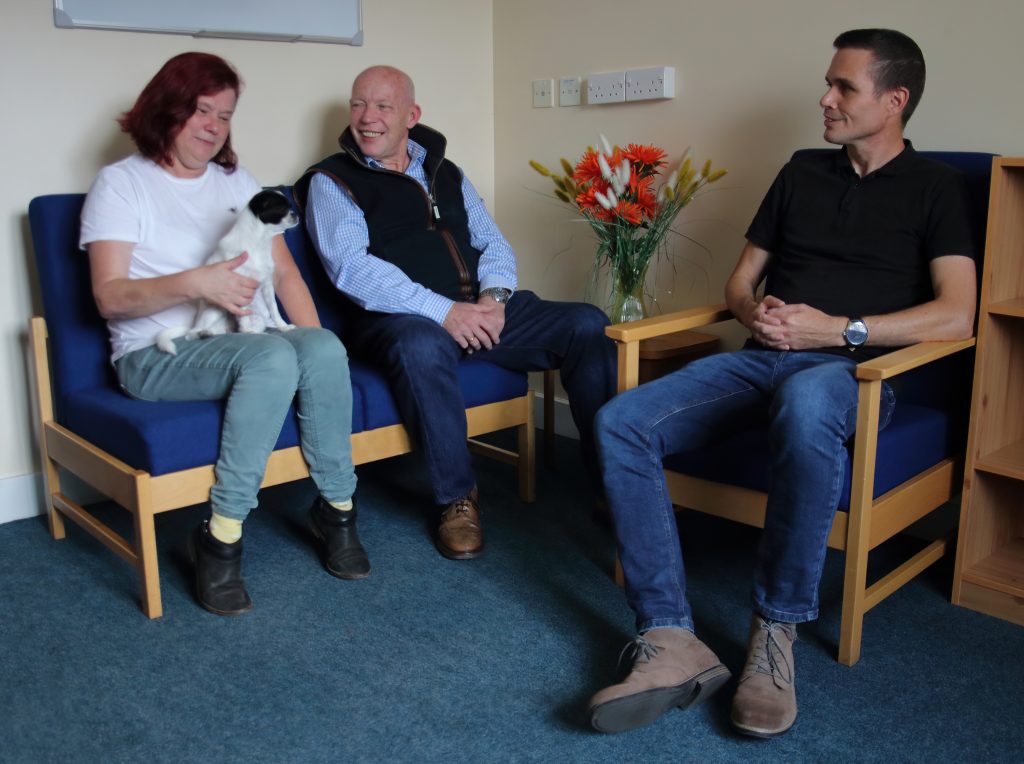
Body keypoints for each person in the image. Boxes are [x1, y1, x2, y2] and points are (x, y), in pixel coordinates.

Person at [588, 29, 977, 738]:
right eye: (827, 84)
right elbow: (740, 281)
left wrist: (837, 332)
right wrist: (754, 312)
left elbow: (956, 314)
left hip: (852, 374)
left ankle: (775, 634)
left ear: (894, 101)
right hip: (761, 358)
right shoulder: (801, 172)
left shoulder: (939, 188)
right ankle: (673, 638)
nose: (825, 99)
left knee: (805, 401)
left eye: (844, 88)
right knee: (622, 420)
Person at [80, 52, 366, 617]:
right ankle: (223, 535)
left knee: (323, 345)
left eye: (225, 115)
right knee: (269, 359)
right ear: (166, 110)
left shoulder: (238, 181)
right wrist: (197, 284)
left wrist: (318, 350)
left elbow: (284, 273)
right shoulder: (120, 185)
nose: (213, 126)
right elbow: (109, 297)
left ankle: (337, 508)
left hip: (235, 342)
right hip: (154, 354)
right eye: (200, 110)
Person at [294, 65, 615, 560]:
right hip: (397, 319)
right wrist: (445, 312)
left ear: (411, 116)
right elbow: (351, 271)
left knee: (587, 323)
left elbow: (493, 244)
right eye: (358, 104)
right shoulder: (332, 181)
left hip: (476, 307)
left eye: (383, 106)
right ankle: (456, 500)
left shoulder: (446, 171)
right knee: (420, 345)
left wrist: (494, 301)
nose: (367, 117)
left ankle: (613, 483)